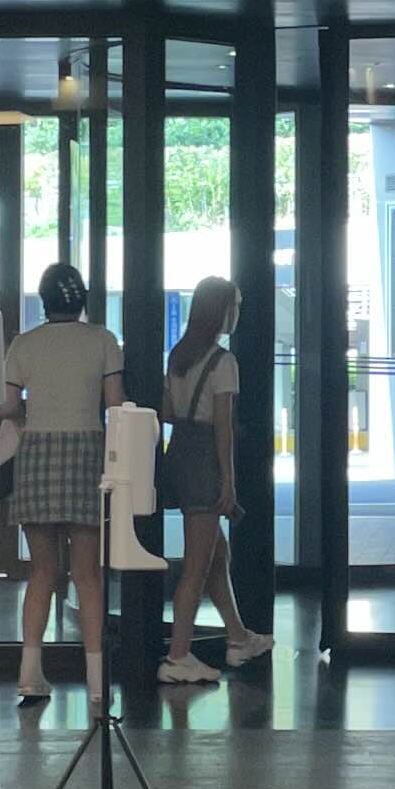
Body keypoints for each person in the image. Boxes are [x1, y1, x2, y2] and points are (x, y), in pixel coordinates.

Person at [4, 262, 124, 711]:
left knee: (41, 572)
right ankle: (96, 682)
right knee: (87, 574)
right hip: (87, 453)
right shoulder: (103, 341)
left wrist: (33, 414)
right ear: (83, 299)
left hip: (36, 453)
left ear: (44, 300)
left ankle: (29, 675)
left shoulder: (23, 344)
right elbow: (115, 405)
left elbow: (8, 406)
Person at [156, 275, 271, 685]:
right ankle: (178, 656)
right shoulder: (224, 362)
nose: (237, 313)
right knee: (197, 566)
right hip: (206, 458)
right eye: (234, 306)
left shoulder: (178, 356)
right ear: (220, 312)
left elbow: (168, 412)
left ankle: (238, 638)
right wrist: (229, 479)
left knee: (216, 555)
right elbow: (222, 425)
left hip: (179, 454)